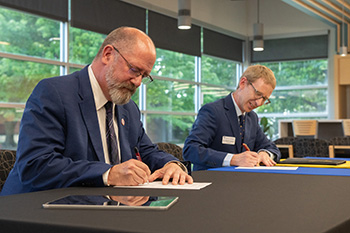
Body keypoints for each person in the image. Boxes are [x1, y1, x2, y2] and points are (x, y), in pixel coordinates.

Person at [1, 26, 193, 195]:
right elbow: (36, 165)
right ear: (108, 54)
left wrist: (171, 165)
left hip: (102, 208)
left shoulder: (128, 108)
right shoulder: (54, 93)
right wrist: (109, 174)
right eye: (134, 70)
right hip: (35, 210)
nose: (138, 82)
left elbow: (148, 151)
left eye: (144, 75)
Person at [183, 65, 281, 171]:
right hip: (212, 181)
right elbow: (191, 150)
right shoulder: (213, 111)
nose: (259, 103)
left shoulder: (251, 117)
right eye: (258, 94)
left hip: (242, 181)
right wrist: (233, 159)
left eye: (264, 99)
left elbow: (271, 147)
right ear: (243, 83)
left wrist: (264, 153)